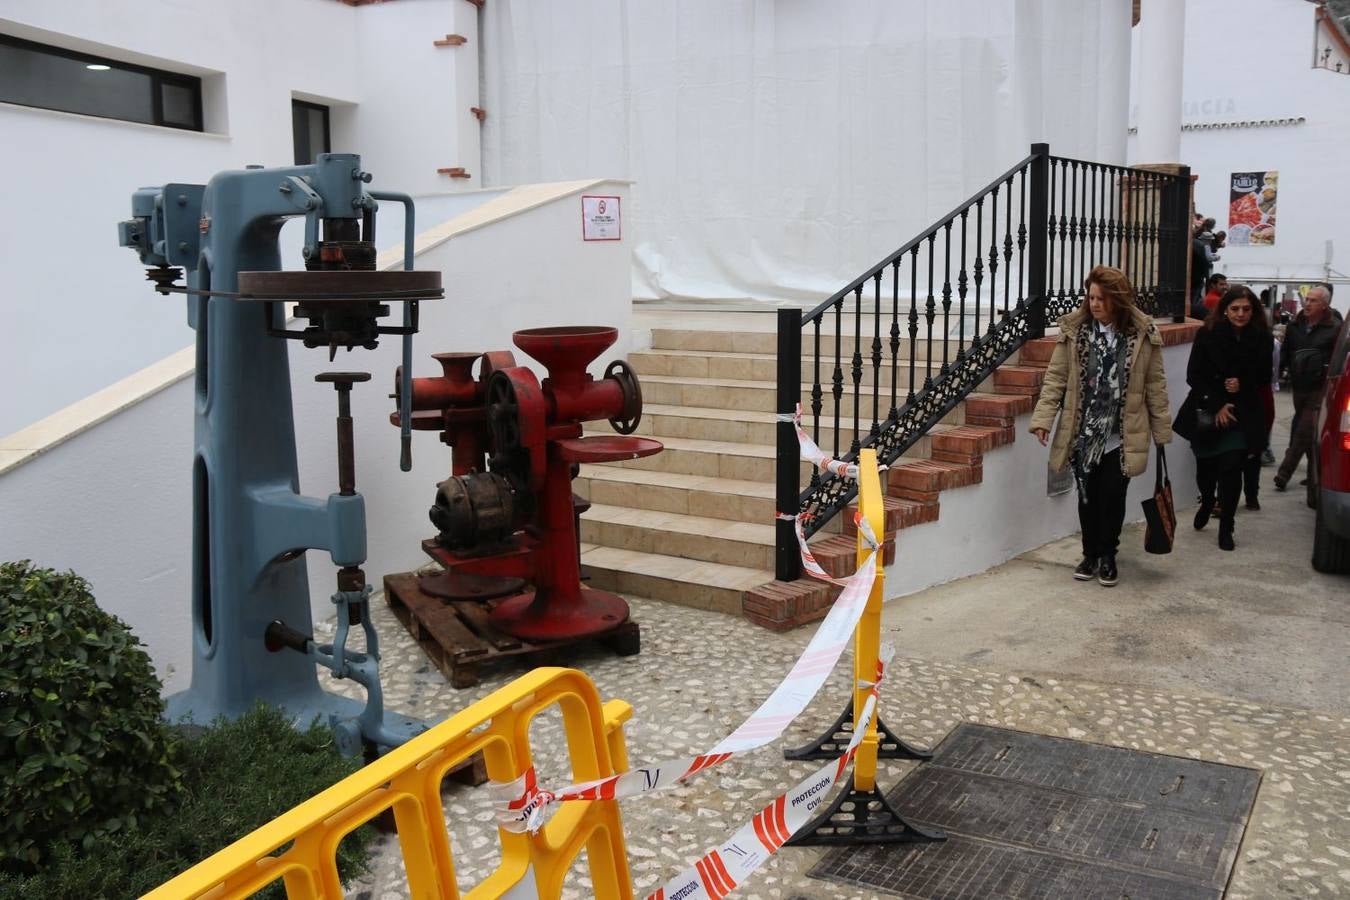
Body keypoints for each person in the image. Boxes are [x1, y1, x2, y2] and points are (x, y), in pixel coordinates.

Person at [1030, 265, 1172, 586]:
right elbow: (1055, 380)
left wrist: (1162, 430)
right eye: (1091, 297)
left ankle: (1108, 554)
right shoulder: (1075, 333)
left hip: (1120, 435)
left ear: (1117, 301)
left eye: (1102, 299)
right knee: (1087, 497)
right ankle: (1089, 553)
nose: (1094, 304)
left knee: (1112, 497)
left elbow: (1155, 385)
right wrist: (1043, 420)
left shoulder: (1141, 335)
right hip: (1083, 434)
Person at [1186, 286, 1271, 550]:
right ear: (1225, 309)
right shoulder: (1207, 334)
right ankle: (1208, 500)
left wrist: (1242, 384)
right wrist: (1219, 402)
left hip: (1242, 414)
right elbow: (1194, 376)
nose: (1241, 314)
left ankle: (1226, 526)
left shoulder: (1261, 338)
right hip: (1209, 410)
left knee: (1233, 469)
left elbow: (1265, 377)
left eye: (1246, 309)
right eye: (1235, 309)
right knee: (1206, 469)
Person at [1273, 284, 1341, 494]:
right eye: (1307, 299)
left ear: (1325, 305)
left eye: (1313, 300)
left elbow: (1338, 359)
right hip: (1299, 387)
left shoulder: (1334, 328)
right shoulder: (1295, 325)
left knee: (1303, 431)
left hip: (1320, 389)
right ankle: (1315, 482)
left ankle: (1284, 473)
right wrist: (1278, 375)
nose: (1307, 303)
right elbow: (1285, 352)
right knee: (1311, 435)